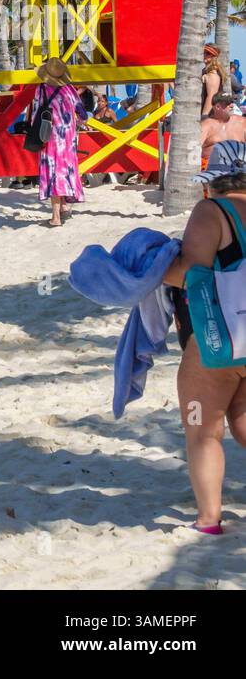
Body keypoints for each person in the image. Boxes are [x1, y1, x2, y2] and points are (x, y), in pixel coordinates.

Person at [162, 142, 246, 534]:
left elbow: (191, 274)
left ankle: (209, 519)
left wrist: (155, 269)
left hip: (216, 343)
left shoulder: (212, 212)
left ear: (212, 181)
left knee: (203, 431)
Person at [31, 57, 87, 227]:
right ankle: (63, 206)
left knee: (53, 171)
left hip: (49, 136)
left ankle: (55, 217)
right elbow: (83, 114)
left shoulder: (41, 89)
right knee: (64, 169)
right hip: (68, 138)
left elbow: (36, 113)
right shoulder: (70, 90)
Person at [201, 93, 246, 161]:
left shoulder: (242, 122)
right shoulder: (207, 125)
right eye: (227, 104)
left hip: (239, 166)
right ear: (218, 107)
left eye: (231, 102)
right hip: (213, 167)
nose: (231, 106)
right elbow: (194, 149)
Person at [203, 45, 227, 117]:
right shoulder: (208, 71)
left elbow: (211, 97)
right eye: (203, 52)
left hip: (209, 114)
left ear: (213, 56)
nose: (204, 55)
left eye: (207, 53)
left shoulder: (212, 73)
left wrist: (204, 117)